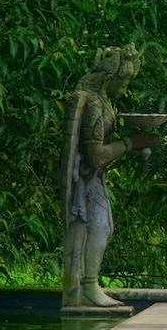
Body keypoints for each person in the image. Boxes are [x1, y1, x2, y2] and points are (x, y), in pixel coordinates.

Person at [61, 45, 161, 310]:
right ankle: (86, 287)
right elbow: (95, 156)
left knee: (103, 227)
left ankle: (88, 286)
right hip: (86, 180)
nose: (125, 89)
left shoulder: (101, 99)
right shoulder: (93, 103)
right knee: (99, 228)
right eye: (124, 82)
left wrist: (133, 143)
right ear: (111, 77)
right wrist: (130, 143)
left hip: (94, 179)